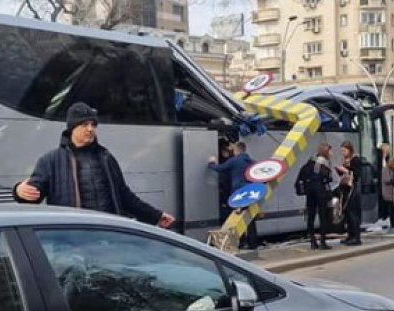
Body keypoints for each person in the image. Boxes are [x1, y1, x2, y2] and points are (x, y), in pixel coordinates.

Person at [14, 102, 175, 228]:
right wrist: (19, 191)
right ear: (72, 128)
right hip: (70, 240)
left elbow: (125, 196)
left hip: (108, 236)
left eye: (93, 124)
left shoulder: (106, 157)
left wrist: (155, 216)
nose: (90, 129)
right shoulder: (51, 161)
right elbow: (31, 198)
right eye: (84, 124)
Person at [209, 141, 258, 249]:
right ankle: (253, 243)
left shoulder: (234, 161)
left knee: (237, 217)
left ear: (236, 150)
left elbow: (220, 168)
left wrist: (212, 163)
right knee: (250, 218)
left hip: (239, 194)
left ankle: (241, 241)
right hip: (252, 193)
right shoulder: (252, 162)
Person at [298, 143, 334, 250]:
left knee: (311, 216)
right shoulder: (324, 163)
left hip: (310, 191)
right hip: (320, 191)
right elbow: (327, 177)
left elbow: (303, 174)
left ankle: (313, 242)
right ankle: (323, 242)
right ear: (326, 152)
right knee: (323, 216)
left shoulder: (311, 161)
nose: (332, 153)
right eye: (330, 151)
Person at [336, 141, 363, 246]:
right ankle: (350, 235)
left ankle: (356, 237)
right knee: (347, 213)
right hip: (345, 188)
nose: (343, 153)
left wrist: (346, 170)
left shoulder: (355, 159)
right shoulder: (345, 160)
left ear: (350, 150)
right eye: (341, 151)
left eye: (344, 150)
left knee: (353, 213)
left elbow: (356, 173)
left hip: (353, 188)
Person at [374, 143, 394, 230]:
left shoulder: (387, 159)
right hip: (385, 184)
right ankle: (390, 220)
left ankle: (391, 220)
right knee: (389, 203)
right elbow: (385, 169)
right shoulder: (382, 159)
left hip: (385, 184)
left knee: (390, 203)